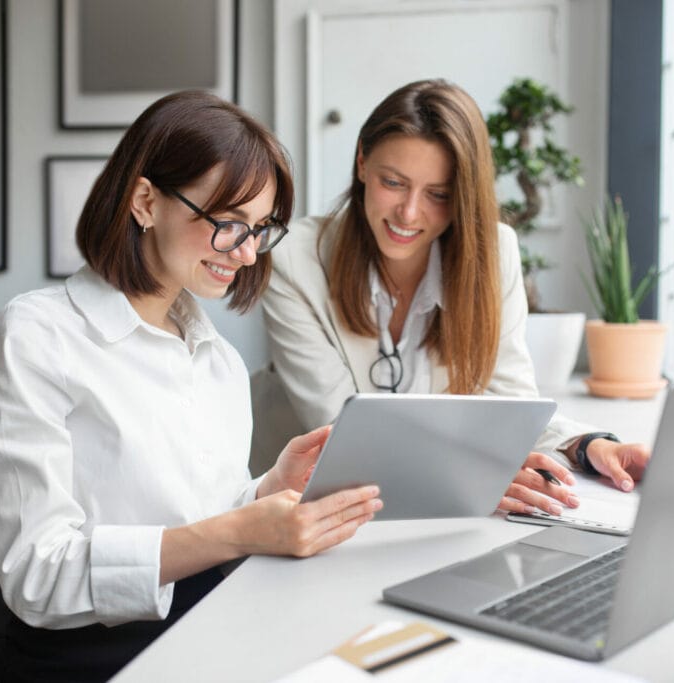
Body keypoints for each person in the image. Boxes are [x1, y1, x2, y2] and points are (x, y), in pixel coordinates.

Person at [0, 91, 382, 682]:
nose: (247, 251)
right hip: (87, 664)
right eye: (228, 223)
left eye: (261, 229)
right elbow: (38, 576)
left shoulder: (219, 363)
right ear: (144, 201)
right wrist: (239, 530)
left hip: (212, 644)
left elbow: (199, 524)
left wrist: (263, 494)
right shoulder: (36, 337)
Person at [258, 79, 650, 517]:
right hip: (307, 510)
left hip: (437, 510)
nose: (409, 213)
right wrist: (479, 471)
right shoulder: (293, 261)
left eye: (438, 195)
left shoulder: (493, 253)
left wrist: (586, 446)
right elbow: (339, 432)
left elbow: (510, 407)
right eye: (393, 182)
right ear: (362, 163)